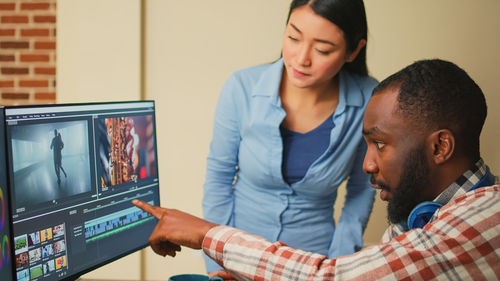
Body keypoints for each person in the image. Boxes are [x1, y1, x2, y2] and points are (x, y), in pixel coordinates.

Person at [133, 59, 500, 280]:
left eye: (381, 144)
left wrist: (207, 233)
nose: (367, 164)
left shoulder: (480, 223)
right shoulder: (422, 215)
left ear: (440, 147)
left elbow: (329, 277)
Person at [203, 0, 376, 276]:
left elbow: (362, 191)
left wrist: (337, 269)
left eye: (322, 49)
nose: (301, 58)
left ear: (353, 50)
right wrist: (218, 264)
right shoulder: (242, 87)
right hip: (235, 262)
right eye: (294, 38)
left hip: (313, 266)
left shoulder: (370, 99)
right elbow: (218, 179)